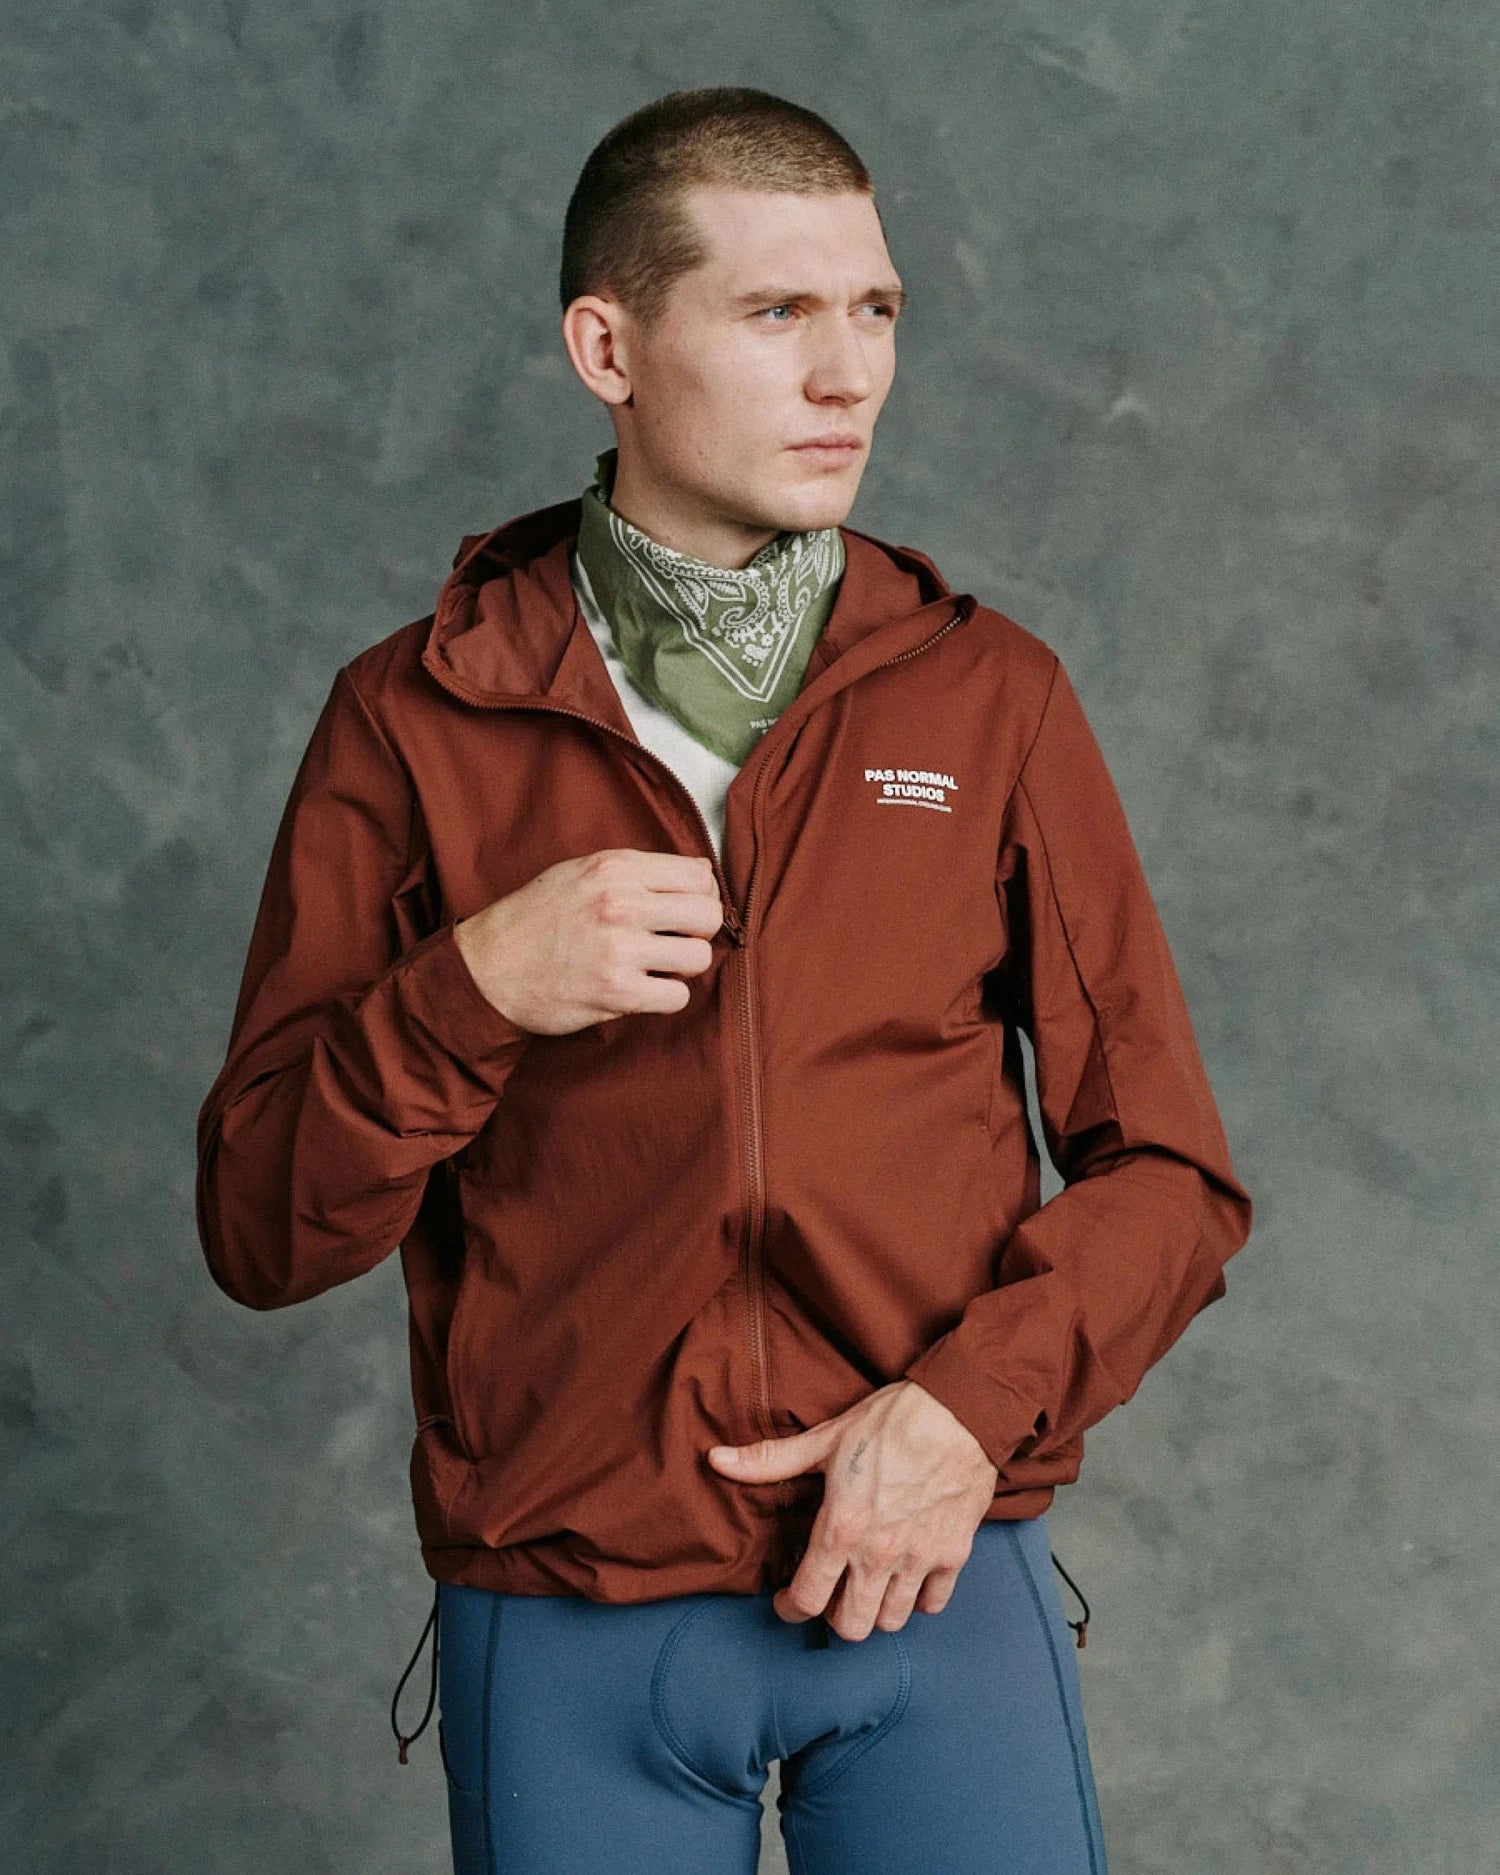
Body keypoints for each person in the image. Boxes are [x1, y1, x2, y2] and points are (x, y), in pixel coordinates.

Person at [195, 84, 1253, 1875]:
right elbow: (261, 1230)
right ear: (607, 349)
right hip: (569, 1611)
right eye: (777, 312)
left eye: (876, 309)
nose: (850, 375)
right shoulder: (413, 715)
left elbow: (1171, 1175)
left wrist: (964, 1415)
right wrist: (470, 990)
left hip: (932, 1577)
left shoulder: (989, 698)